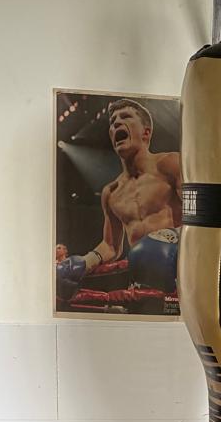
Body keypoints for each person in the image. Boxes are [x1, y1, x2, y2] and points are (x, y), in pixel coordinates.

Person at [56, 98, 182, 301]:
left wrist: (173, 238)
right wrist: (85, 262)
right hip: (139, 284)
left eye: (125, 117)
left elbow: (200, 218)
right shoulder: (111, 192)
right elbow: (111, 247)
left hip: (180, 277)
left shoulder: (170, 164)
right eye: (113, 121)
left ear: (146, 132)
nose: (116, 123)